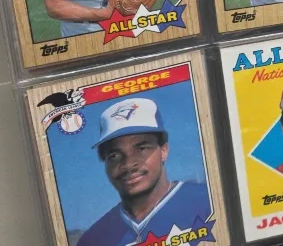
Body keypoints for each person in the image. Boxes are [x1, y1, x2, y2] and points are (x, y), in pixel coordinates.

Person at [78, 98, 212, 245]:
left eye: (141, 149)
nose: (128, 164)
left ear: (164, 150)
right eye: (114, 155)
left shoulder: (209, 202)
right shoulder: (93, 240)